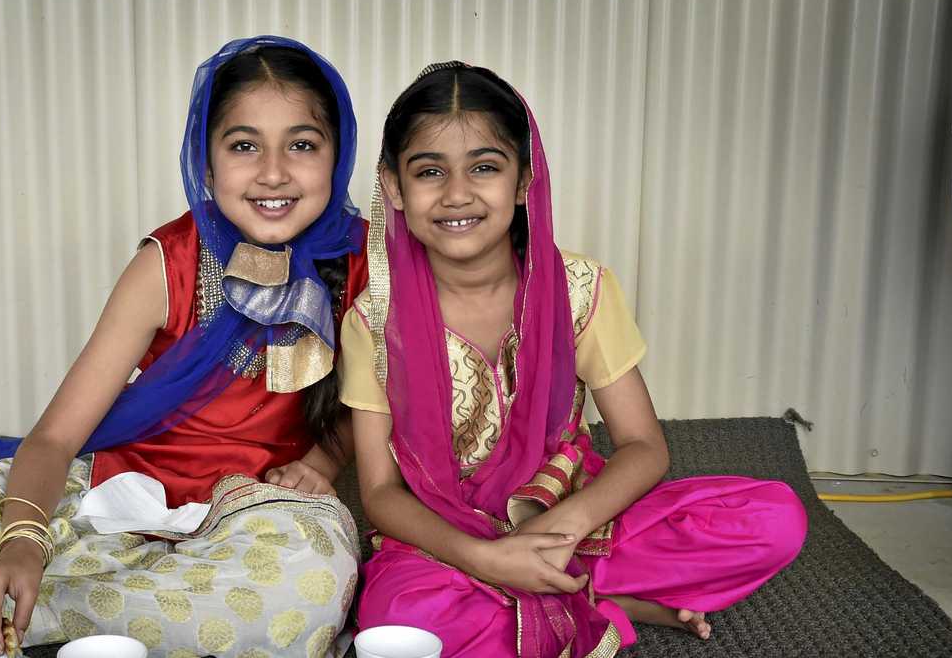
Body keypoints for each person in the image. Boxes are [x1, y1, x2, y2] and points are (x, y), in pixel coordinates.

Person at [0, 36, 369, 658]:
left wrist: (322, 464)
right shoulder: (169, 262)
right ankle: (152, 603)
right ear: (207, 165)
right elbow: (55, 438)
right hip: (121, 496)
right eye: (244, 145)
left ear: (337, 154)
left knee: (307, 582)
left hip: (255, 509)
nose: (273, 171)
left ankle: (33, 614)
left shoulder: (364, 264)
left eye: (302, 144)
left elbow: (373, 404)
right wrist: (23, 544)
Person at [340, 62, 806, 657]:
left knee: (772, 519)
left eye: (484, 167)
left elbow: (643, 446)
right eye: (430, 172)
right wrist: (488, 557)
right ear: (394, 188)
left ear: (522, 180)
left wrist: (547, 537)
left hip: (569, 520)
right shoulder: (374, 322)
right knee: (400, 622)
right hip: (447, 544)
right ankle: (596, 603)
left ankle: (550, 590)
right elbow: (380, 493)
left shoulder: (579, 287)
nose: (457, 193)